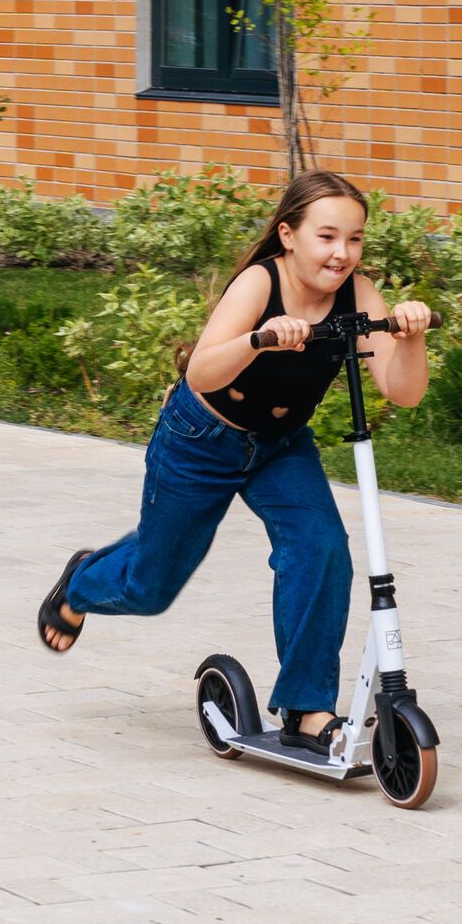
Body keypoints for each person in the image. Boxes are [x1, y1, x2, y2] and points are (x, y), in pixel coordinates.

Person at [36, 171, 433, 753]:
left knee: (320, 547)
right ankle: (82, 583)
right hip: (201, 439)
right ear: (288, 235)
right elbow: (201, 372)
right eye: (326, 236)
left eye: (354, 239)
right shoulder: (258, 283)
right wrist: (260, 339)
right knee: (151, 586)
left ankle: (307, 710)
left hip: (280, 445)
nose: (342, 253)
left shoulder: (359, 294)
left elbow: (403, 392)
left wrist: (412, 336)